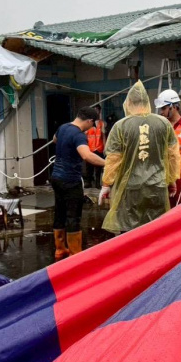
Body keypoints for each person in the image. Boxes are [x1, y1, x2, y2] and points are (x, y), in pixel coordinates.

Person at [99, 81, 180, 234]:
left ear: (128, 103)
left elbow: (113, 159)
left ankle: (133, 258)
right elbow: (173, 156)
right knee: (155, 230)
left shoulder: (120, 126)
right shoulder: (163, 124)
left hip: (130, 188)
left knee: (129, 229)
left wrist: (106, 184)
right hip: (157, 185)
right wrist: (172, 180)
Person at [50, 106, 105, 258]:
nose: (90, 129)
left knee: (59, 213)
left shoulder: (63, 128)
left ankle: (60, 249)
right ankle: (75, 255)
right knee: (73, 216)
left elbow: (55, 140)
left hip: (56, 178)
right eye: (91, 125)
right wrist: (107, 163)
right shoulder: (79, 135)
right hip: (70, 180)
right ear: (89, 121)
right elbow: (87, 156)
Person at [84, 105, 106, 189]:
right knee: (89, 167)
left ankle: (97, 183)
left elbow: (103, 136)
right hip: (89, 148)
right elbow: (84, 135)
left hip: (99, 148)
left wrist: (105, 147)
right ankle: (88, 182)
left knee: (98, 167)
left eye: (97, 110)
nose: (96, 112)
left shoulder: (101, 123)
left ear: (100, 112)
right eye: (94, 110)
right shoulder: (88, 123)